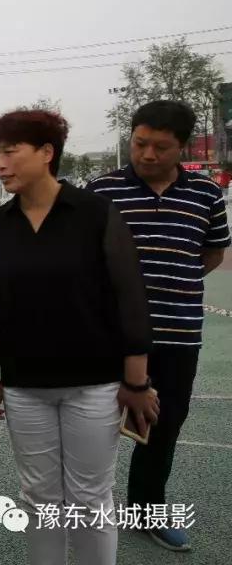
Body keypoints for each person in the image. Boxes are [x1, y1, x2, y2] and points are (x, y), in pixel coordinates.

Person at [0, 109, 158, 565]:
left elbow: (130, 298)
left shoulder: (94, 213)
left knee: (90, 498)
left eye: (10, 152)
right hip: (24, 385)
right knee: (39, 498)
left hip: (93, 384)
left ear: (46, 152)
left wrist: (135, 381)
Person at [87, 100, 229, 553]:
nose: (147, 154)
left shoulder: (205, 194)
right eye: (139, 143)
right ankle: (85, 515)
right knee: (93, 428)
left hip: (177, 336)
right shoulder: (102, 190)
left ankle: (146, 511)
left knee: (162, 428)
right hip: (108, 338)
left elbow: (210, 255)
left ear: (181, 147)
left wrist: (171, 283)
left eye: (160, 147)